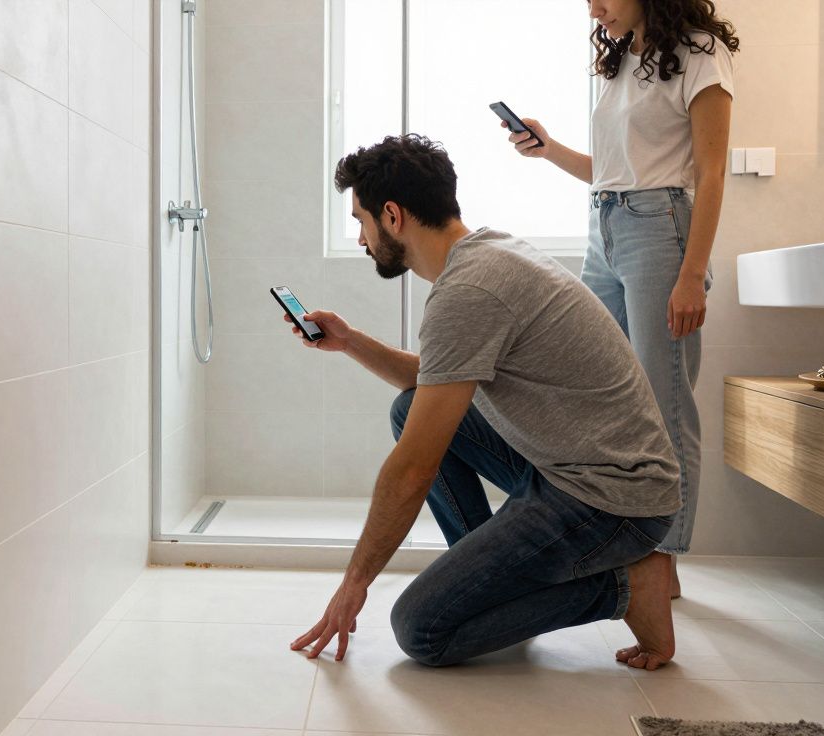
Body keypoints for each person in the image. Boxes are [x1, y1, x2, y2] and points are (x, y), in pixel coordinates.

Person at [288, 135, 682, 670]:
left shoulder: (468, 293)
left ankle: (626, 584)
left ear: (393, 215)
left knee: (422, 630)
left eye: (361, 221)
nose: (360, 238)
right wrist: (350, 341)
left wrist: (353, 584)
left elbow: (412, 470)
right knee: (410, 409)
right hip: (581, 467)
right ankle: (493, 588)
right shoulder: (489, 252)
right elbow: (437, 382)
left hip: (612, 501)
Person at [502, 0, 738, 604]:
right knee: (600, 393)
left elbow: (711, 175)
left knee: (665, 402)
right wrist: (549, 148)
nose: (593, 11)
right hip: (605, 227)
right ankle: (614, 538)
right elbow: (613, 170)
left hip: (661, 231)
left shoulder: (699, 54)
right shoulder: (620, 61)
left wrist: (691, 274)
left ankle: (663, 561)